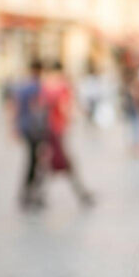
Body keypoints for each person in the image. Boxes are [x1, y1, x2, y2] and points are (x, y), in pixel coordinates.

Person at [40, 62, 94, 206]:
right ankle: (82, 193)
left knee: (51, 162)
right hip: (58, 129)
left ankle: (40, 194)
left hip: (48, 129)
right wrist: (73, 117)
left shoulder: (45, 86)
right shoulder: (62, 87)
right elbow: (65, 107)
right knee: (62, 161)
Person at [13, 61, 47, 209]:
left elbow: (16, 107)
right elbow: (38, 108)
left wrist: (15, 127)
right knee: (36, 161)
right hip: (36, 129)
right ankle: (31, 192)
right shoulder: (37, 87)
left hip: (26, 127)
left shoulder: (23, 87)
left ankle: (27, 192)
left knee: (32, 160)